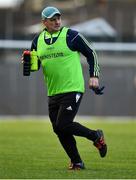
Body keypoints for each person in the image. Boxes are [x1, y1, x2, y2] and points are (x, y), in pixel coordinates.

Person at [23, 6, 107, 170]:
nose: (57, 21)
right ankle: (77, 162)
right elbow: (35, 65)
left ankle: (95, 136)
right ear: (44, 22)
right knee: (58, 129)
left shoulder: (71, 35)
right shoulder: (37, 40)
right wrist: (27, 64)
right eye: (53, 19)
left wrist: (94, 76)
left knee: (63, 123)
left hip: (73, 87)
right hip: (53, 91)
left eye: (58, 18)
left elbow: (91, 53)